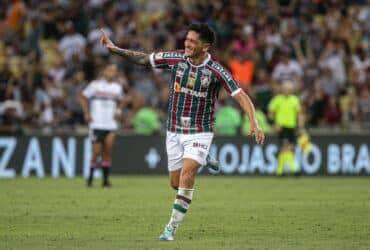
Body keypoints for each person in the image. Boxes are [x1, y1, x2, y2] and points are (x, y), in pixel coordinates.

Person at [100, 23, 265, 241]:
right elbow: (143, 59)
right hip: (174, 130)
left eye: (192, 41)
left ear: (205, 46)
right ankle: (204, 157)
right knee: (175, 183)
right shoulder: (175, 58)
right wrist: (115, 49)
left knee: (188, 176)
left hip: (200, 131)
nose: (187, 43)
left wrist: (253, 121)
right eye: (186, 39)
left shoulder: (216, 70)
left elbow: (241, 95)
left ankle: (170, 228)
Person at [79, 64, 124, 187]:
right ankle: (90, 180)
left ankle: (105, 181)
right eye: (109, 70)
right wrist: (86, 113)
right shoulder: (95, 85)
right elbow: (83, 97)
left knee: (107, 152)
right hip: (96, 124)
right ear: (104, 71)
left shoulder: (117, 88)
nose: (112, 73)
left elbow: (122, 101)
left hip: (110, 124)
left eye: (114, 71)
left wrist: (119, 111)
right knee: (96, 153)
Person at [268, 80, 304, 176]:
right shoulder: (277, 99)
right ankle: (294, 169)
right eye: (285, 88)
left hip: (291, 127)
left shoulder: (295, 100)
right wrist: (275, 124)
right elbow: (270, 113)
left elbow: (300, 114)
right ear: (282, 89)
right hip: (282, 127)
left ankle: (279, 171)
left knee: (289, 148)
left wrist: (300, 126)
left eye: (289, 89)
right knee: (286, 148)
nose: (287, 90)